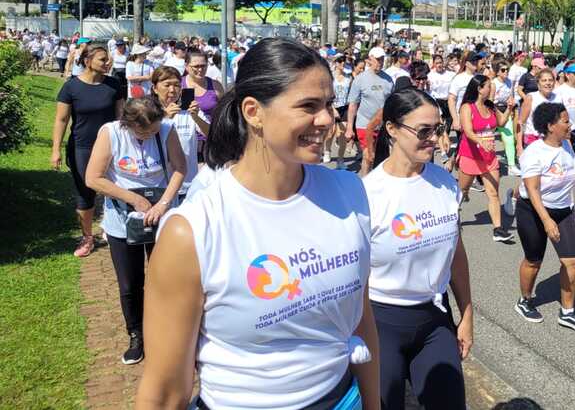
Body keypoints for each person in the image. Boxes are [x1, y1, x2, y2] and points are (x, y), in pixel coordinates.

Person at [135, 38, 380, 410]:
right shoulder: (193, 229)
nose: (328, 119)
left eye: (329, 104)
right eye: (308, 106)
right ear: (254, 112)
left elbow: (360, 319)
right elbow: (166, 390)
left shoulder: (350, 194)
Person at [366, 87, 472, 410]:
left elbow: (455, 253)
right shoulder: (367, 194)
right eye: (423, 131)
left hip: (434, 317)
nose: (434, 139)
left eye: (437, 129)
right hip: (380, 321)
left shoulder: (445, 183)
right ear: (392, 130)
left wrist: (467, 313)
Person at [85, 97, 185, 364]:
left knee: (165, 278)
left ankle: (166, 331)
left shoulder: (166, 129)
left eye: (154, 130)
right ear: (128, 125)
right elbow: (93, 177)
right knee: (130, 283)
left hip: (161, 217)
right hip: (122, 219)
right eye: (144, 132)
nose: (151, 135)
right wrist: (133, 199)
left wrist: (163, 203)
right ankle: (136, 334)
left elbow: (180, 169)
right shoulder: (110, 133)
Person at [514, 102, 575, 332]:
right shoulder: (534, 153)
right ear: (550, 126)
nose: (570, 124)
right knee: (533, 260)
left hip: (563, 210)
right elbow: (532, 190)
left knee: (573, 262)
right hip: (533, 210)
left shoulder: (567, 145)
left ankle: (568, 312)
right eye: (566, 121)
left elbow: (569, 173)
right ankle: (525, 299)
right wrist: (546, 220)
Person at [52, 43, 125, 258]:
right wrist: (55, 149)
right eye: (103, 59)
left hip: (112, 145)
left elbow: (121, 118)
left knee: (115, 188)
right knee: (85, 192)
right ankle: (87, 237)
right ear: (87, 61)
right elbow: (61, 119)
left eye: (108, 59)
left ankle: (114, 231)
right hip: (82, 147)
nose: (108, 62)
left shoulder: (114, 84)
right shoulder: (71, 87)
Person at [457, 74, 515, 242]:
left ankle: (498, 229)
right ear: (479, 89)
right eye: (488, 86)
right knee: (463, 191)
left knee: (493, 193)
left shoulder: (490, 106)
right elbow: (467, 131)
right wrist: (481, 141)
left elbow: (502, 123)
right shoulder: (467, 108)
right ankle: (453, 216)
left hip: (489, 158)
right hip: (471, 156)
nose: (491, 89)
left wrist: (509, 109)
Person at [150, 66, 209, 199]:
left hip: (188, 185)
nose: (172, 90)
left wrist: (196, 118)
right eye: (167, 85)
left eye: (177, 85)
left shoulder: (190, 110)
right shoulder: (147, 111)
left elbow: (212, 135)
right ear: (155, 88)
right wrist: (165, 119)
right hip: (158, 187)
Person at [346, 46, 394, 175]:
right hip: (364, 124)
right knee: (368, 156)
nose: (380, 62)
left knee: (382, 159)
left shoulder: (388, 80)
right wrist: (349, 128)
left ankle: (377, 183)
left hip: (383, 125)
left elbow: (391, 103)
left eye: (382, 59)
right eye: (377, 59)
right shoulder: (360, 79)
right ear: (370, 60)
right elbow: (353, 105)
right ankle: (365, 185)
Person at [516, 68, 557, 155]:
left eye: (550, 80)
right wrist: (519, 146)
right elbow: (520, 123)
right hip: (533, 141)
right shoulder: (531, 97)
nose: (548, 83)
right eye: (544, 80)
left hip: (552, 142)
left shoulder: (558, 98)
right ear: (538, 84)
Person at [492, 62, 519, 176]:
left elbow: (511, 96)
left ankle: (512, 165)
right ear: (497, 72)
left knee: (509, 138)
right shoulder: (493, 83)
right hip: (494, 111)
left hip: (506, 110)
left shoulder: (509, 82)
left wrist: (511, 108)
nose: (506, 72)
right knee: (488, 139)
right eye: (503, 70)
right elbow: (490, 100)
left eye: (507, 69)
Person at [326, 55, 352, 168]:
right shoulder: (330, 77)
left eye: (344, 62)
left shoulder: (349, 78)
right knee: (330, 133)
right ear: (335, 63)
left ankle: (340, 160)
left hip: (344, 108)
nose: (342, 64)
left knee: (342, 134)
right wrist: (331, 107)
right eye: (340, 61)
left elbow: (351, 94)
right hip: (332, 107)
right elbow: (327, 94)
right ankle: (327, 151)